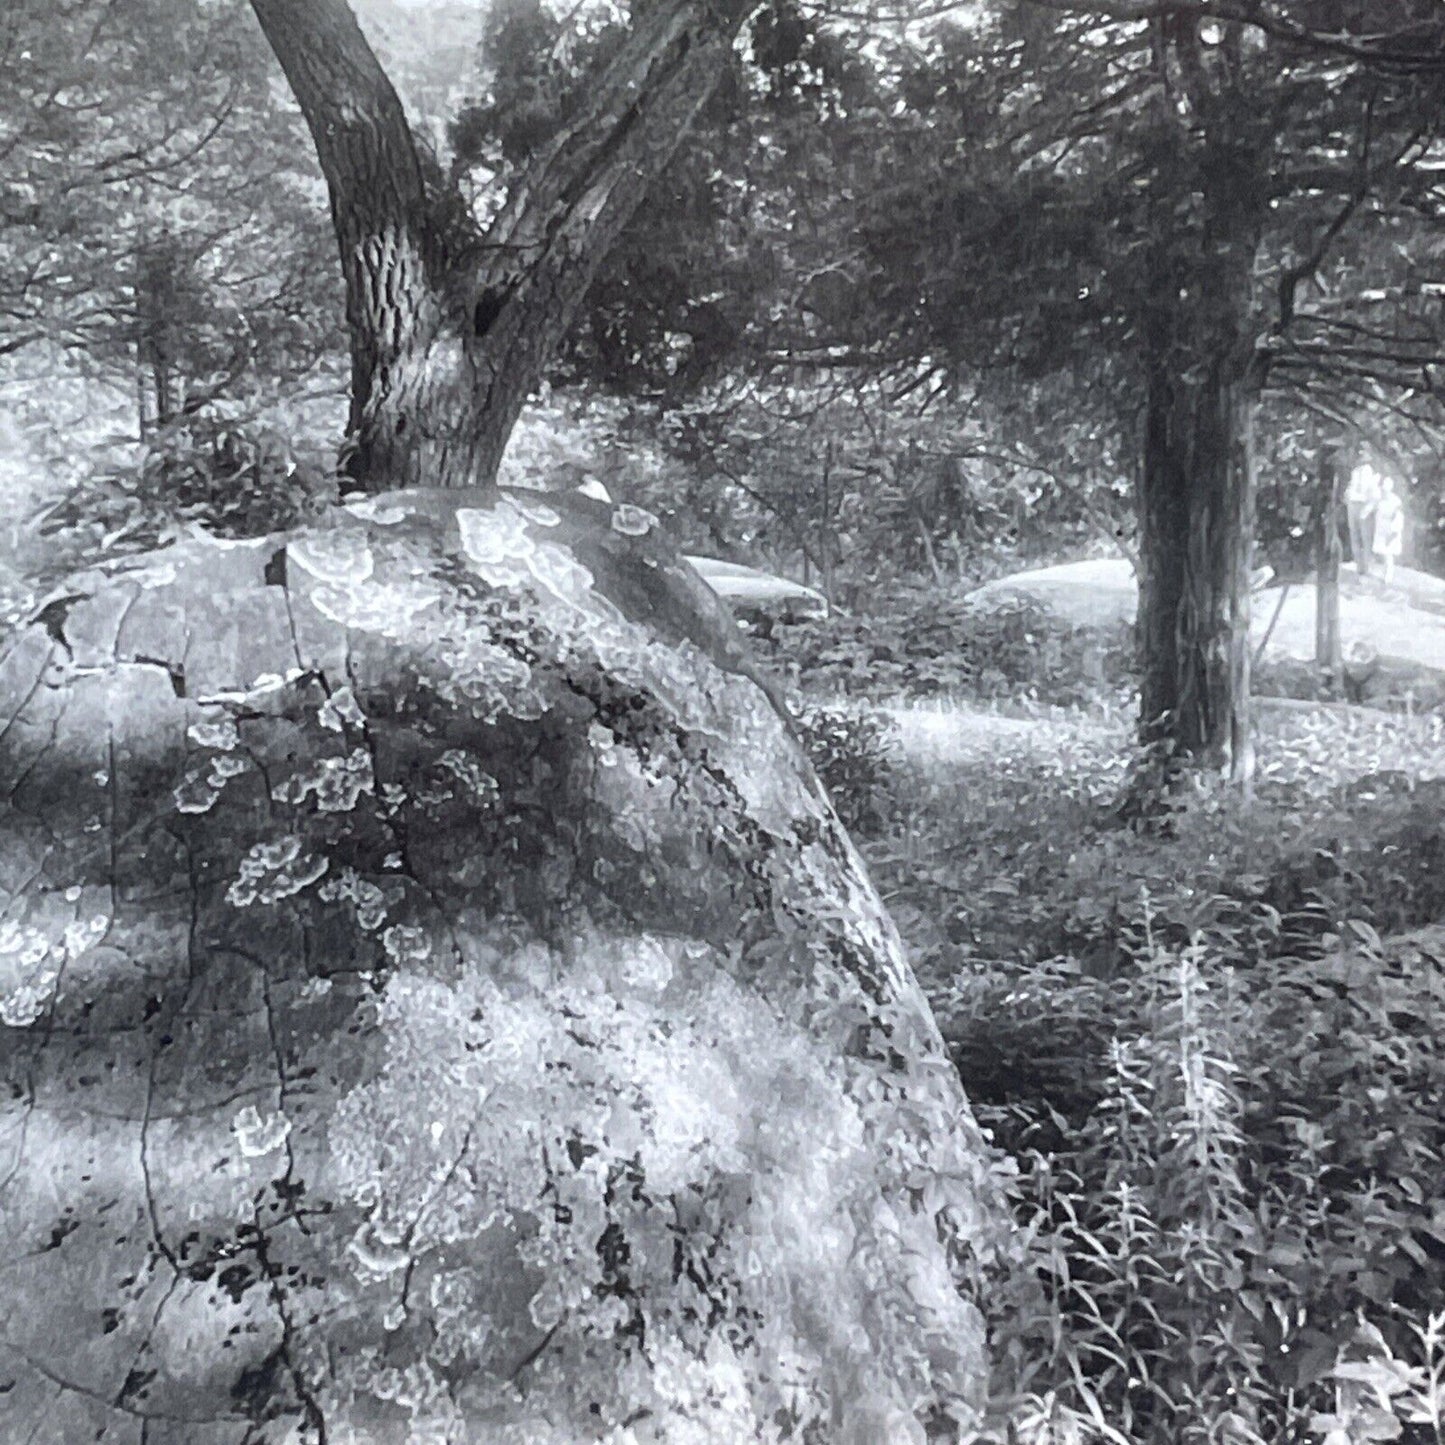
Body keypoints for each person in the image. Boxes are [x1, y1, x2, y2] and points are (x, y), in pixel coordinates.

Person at [1345, 454, 1381, 575]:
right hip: (1353, 507)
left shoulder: (1371, 474)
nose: (1362, 464)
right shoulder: (1355, 472)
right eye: (1361, 460)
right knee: (1354, 537)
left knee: (1366, 539)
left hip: (1364, 508)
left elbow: (1375, 496)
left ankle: (1367, 566)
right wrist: (1349, 496)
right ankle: (1358, 565)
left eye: (1365, 461)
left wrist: (1368, 508)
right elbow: (1350, 490)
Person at [1372, 474, 1405, 585]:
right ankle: (1385, 572)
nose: (1384, 492)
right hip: (1381, 528)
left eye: (1386, 490)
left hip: (1390, 529)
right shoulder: (1380, 500)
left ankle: (1388, 575)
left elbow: (1398, 516)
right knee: (1383, 553)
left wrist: (1394, 530)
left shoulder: (1396, 501)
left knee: (1388, 554)